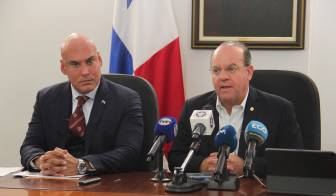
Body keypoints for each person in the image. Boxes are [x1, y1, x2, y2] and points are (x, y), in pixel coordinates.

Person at [168, 41, 303, 177]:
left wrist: (247, 166)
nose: (222, 77)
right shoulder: (193, 107)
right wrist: (201, 164)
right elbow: (175, 158)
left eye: (231, 69)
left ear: (249, 72)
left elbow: (293, 162)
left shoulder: (279, 109)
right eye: (216, 70)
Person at [20, 33, 144, 176]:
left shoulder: (126, 99)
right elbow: (30, 145)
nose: (85, 72)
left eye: (90, 61)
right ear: (63, 67)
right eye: (75, 64)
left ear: (100, 60)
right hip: (54, 186)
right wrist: (42, 161)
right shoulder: (46, 98)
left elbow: (129, 152)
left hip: (105, 186)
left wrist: (82, 166)